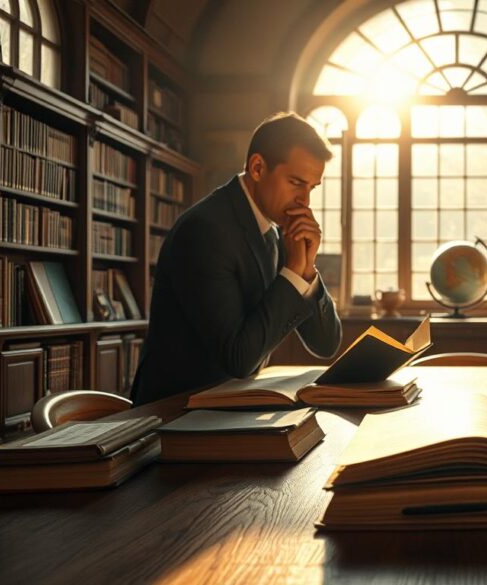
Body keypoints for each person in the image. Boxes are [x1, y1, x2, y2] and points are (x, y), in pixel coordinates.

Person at [131, 112, 342, 405]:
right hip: (176, 414)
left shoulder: (279, 229)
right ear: (257, 168)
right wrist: (293, 270)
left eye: (311, 187)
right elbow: (239, 358)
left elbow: (326, 344)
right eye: (296, 182)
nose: (304, 201)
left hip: (229, 407)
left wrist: (306, 268)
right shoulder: (205, 230)